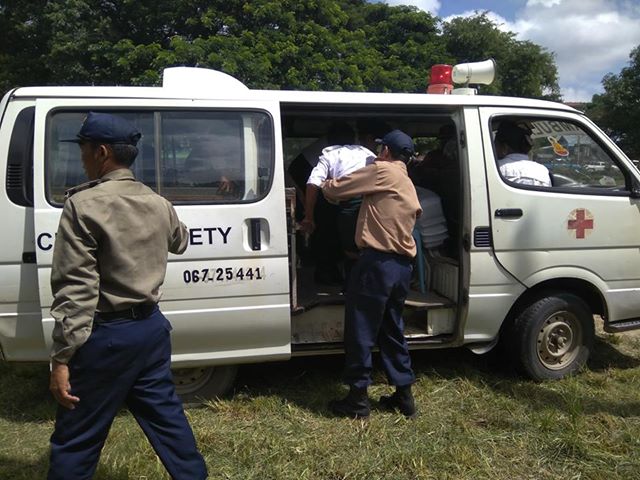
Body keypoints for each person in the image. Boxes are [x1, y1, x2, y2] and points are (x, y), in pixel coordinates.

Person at [47, 112, 207, 480]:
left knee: (78, 437)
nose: (82, 159)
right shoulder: (156, 201)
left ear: (101, 152)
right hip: (151, 330)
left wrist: (61, 358)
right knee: (168, 423)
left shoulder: (84, 205)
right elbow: (181, 240)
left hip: (106, 337)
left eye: (84, 151)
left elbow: (76, 289)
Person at [322, 129, 422, 419]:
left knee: (361, 330)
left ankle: (357, 399)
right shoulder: (406, 180)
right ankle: (404, 395)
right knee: (392, 329)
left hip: (377, 264)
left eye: (380, 149)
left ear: (386, 151)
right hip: (401, 267)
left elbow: (336, 190)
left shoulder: (382, 171)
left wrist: (325, 182)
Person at [301, 119, 388, 285]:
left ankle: (351, 285)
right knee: (367, 247)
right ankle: (366, 284)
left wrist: (309, 217)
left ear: (329, 140)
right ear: (353, 138)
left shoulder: (330, 155)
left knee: (350, 251)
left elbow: (313, 184)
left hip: (348, 206)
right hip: (371, 206)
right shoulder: (367, 153)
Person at [495, 120, 552, 186]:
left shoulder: (495, 169)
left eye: (495, 145)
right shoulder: (542, 171)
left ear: (504, 148)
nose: (494, 149)